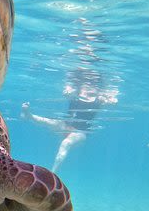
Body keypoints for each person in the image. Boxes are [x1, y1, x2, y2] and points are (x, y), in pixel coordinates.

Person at [21, 19, 119, 172]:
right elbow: (67, 89)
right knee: (46, 121)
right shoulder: (76, 90)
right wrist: (68, 91)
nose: (89, 87)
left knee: (65, 144)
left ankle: (53, 173)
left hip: (81, 132)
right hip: (65, 124)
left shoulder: (101, 96)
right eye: (87, 84)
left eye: (92, 84)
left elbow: (113, 98)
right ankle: (28, 115)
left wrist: (112, 99)